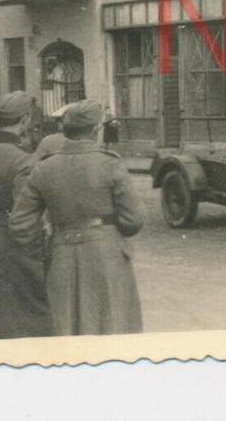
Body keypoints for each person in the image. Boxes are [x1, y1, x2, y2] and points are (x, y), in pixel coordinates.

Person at [10, 99, 144, 336]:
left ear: (65, 130)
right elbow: (134, 219)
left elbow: (20, 222)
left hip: (61, 255)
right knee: (112, 328)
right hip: (107, 256)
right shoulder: (110, 163)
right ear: (95, 130)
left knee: (67, 330)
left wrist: (44, 248)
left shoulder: (44, 167)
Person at [0, 91, 49, 341]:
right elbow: (24, 215)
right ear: (25, 120)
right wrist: (36, 253)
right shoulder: (23, 162)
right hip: (11, 245)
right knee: (24, 319)